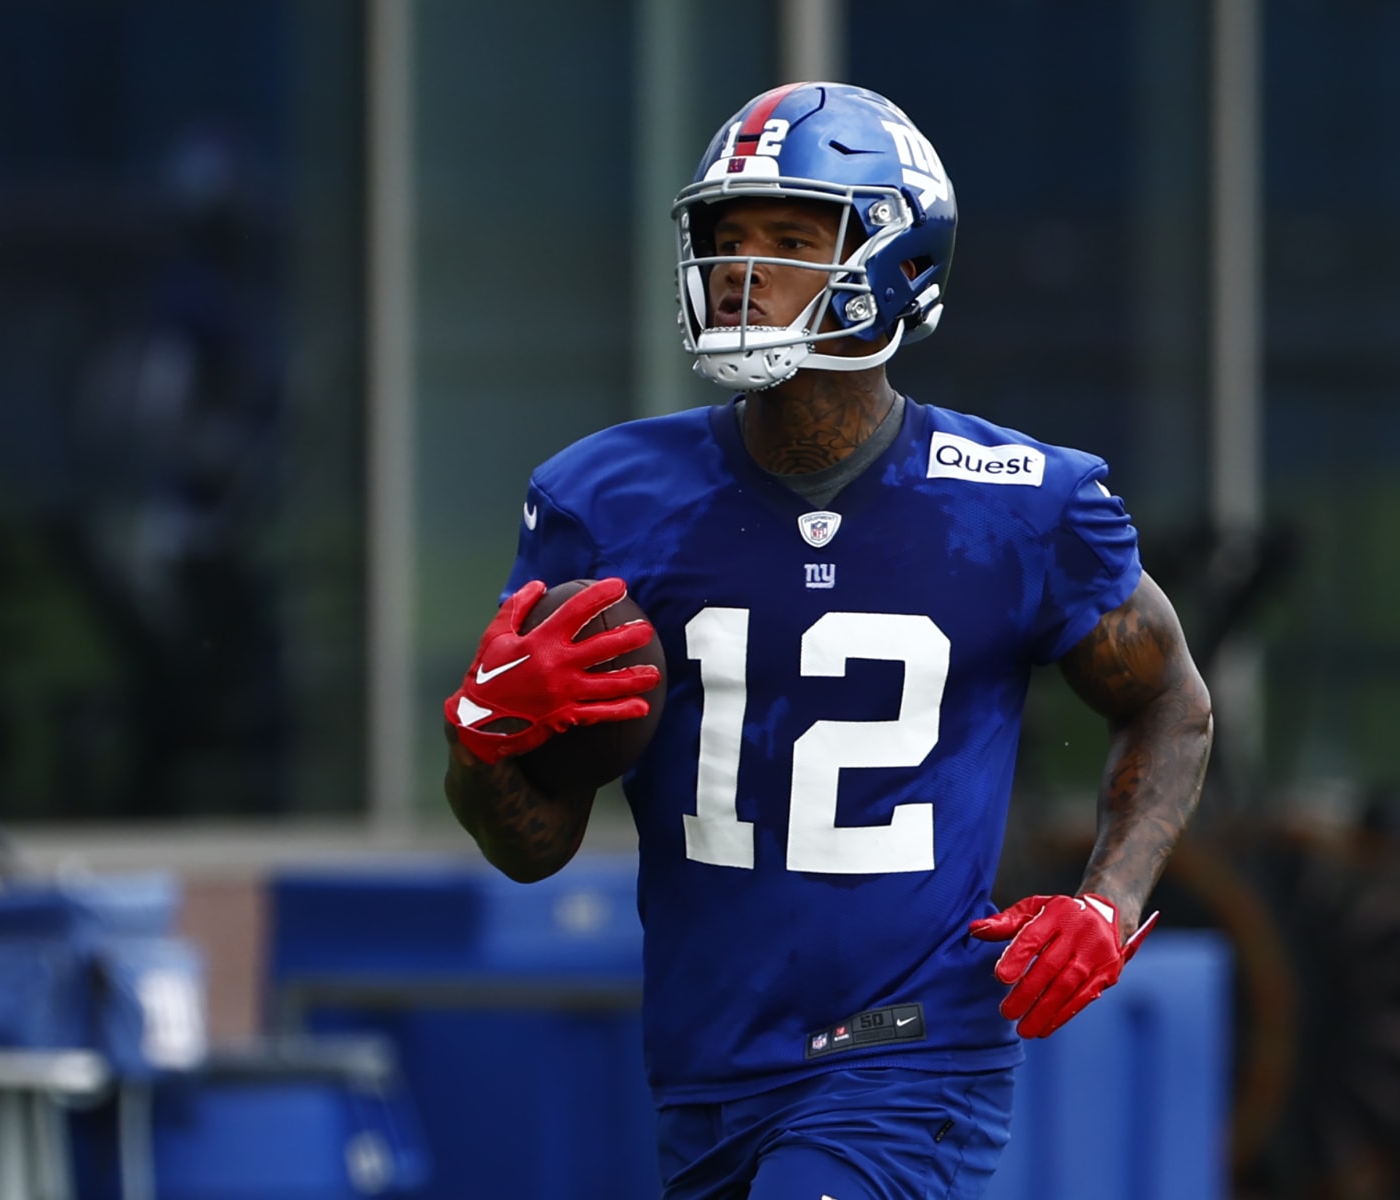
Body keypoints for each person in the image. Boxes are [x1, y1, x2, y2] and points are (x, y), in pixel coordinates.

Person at [442, 82, 1213, 1200]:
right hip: (706, 1064)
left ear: (901, 262)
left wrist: (1111, 896)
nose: (743, 272)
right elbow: (529, 847)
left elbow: (1170, 701)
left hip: (910, 1051)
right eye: (727, 239)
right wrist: (480, 737)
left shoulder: (1020, 501)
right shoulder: (604, 497)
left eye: (794, 240)